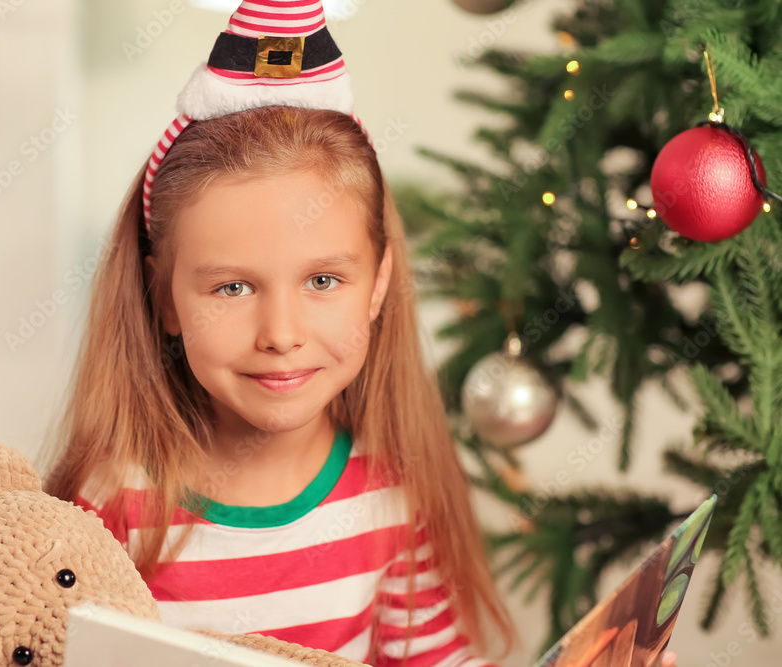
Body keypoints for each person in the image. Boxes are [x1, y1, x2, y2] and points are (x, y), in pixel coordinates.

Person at [42, 2, 521, 665]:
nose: (281, 333)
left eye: (323, 280)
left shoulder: (390, 499)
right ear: (164, 296)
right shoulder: (111, 505)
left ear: (379, 283)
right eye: (232, 288)